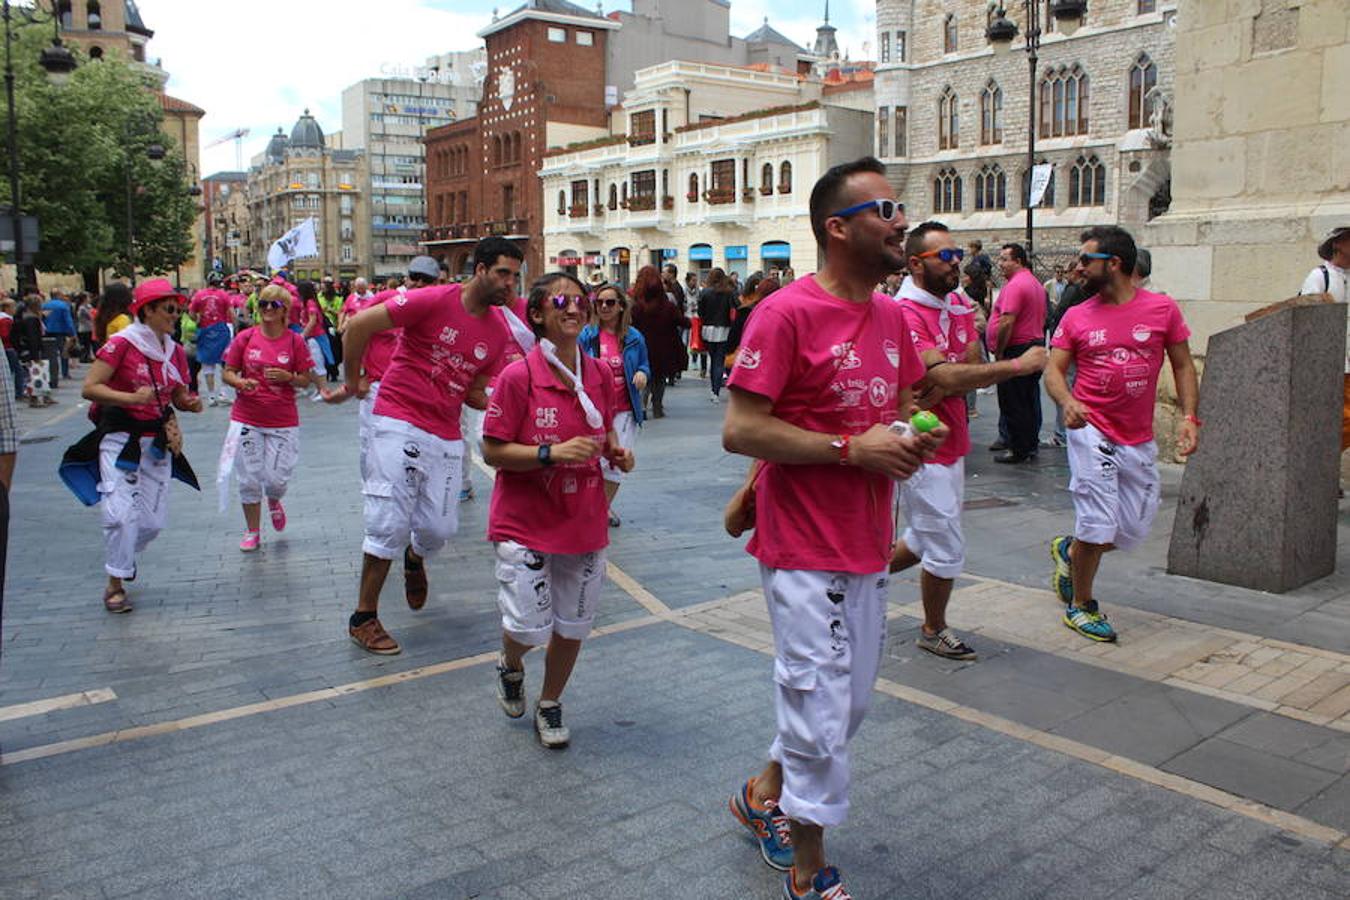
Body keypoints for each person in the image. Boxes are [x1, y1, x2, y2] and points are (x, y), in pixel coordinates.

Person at [722, 157, 943, 900]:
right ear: (837, 228)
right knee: (817, 701)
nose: (900, 220)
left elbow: (904, 404)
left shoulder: (893, 318)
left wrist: (911, 437)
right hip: (800, 544)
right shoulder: (783, 313)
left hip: (865, 542)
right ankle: (811, 871)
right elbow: (742, 429)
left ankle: (761, 793)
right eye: (884, 208)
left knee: (846, 706)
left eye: (900, 206)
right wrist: (854, 449)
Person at [336, 237, 521, 655]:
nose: (509, 283)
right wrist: (353, 380)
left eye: (514, 276)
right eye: (502, 273)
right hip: (398, 417)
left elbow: (474, 391)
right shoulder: (433, 299)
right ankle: (364, 616)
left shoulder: (496, 332)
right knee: (387, 520)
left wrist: (502, 404)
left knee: (440, 529)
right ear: (480, 271)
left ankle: (415, 558)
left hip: (445, 432)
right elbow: (359, 326)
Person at [483, 272, 634, 748]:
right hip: (525, 521)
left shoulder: (600, 373)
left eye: (580, 300)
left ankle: (549, 703)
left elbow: (603, 430)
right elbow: (492, 451)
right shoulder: (518, 376)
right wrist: (550, 453)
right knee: (529, 627)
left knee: (572, 626)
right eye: (560, 301)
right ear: (539, 315)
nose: (573, 308)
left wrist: (615, 452)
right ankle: (510, 662)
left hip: (583, 520)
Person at [890, 221, 1048, 661]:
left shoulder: (956, 302)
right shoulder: (904, 313)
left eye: (956, 252)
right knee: (944, 543)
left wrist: (951, 376)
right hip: (920, 439)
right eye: (945, 255)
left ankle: (852, 580)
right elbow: (940, 377)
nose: (956, 261)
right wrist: (1015, 367)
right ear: (916, 263)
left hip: (953, 436)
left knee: (923, 538)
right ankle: (932, 627)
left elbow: (966, 370)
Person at [1046, 226, 1200, 642]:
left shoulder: (1162, 309)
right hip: (1090, 429)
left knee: (1130, 529)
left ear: (1113, 264)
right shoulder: (1077, 314)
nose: (1077, 267)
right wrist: (1068, 402)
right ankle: (1082, 605)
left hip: (1137, 436)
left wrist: (1189, 417)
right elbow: (1053, 370)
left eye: (1085, 260)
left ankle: (1070, 550)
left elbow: (1183, 365)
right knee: (1097, 522)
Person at [80, 279, 203, 613]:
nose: (175, 315)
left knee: (150, 523)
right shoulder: (121, 343)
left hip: (157, 441)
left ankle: (123, 558)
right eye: (169, 309)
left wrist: (189, 403)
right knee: (121, 515)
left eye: (178, 309)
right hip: (120, 437)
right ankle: (115, 584)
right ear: (146, 310)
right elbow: (90, 387)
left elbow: (177, 393)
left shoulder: (174, 351)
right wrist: (129, 398)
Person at [219, 284, 313, 551]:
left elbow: (306, 380)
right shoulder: (245, 338)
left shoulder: (295, 341)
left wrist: (289, 378)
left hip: (282, 420)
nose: (267, 309)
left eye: (274, 305)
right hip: (246, 417)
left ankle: (274, 498)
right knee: (248, 478)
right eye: (263, 304)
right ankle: (252, 531)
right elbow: (229, 371)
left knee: (276, 480)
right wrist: (239, 383)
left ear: (285, 311)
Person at [580, 282, 649, 527]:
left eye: (610, 302)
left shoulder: (634, 337)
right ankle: (594, 508)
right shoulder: (586, 336)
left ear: (621, 306)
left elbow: (644, 365)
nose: (605, 307)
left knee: (617, 462)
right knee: (593, 462)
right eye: (600, 303)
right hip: (593, 410)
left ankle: (601, 509)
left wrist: (642, 374)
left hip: (625, 408)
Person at [986, 243, 1046, 463]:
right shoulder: (1034, 283)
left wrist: (1000, 351)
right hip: (1032, 344)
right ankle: (1028, 445)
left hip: (1017, 348)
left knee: (1013, 401)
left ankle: (1018, 448)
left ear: (1018, 261)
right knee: (1027, 399)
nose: (1000, 264)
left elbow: (1007, 321)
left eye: (1004, 259)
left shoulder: (1015, 285)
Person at [1299, 227, 1350, 461]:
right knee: (1333, 419)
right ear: (1337, 244)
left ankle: (1318, 466)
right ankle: (1317, 466)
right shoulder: (1320, 276)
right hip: (1329, 364)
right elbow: (1307, 316)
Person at [629, 265, 687, 419]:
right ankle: (657, 406)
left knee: (644, 376)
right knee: (659, 378)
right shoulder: (667, 305)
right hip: (663, 347)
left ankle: (641, 406)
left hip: (640, 346)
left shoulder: (635, 306)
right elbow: (681, 321)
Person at [190, 273, 236, 407]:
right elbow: (231, 314)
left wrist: (198, 320)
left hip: (205, 331)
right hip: (221, 330)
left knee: (207, 364)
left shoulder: (199, 295)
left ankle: (211, 397)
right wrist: (235, 327)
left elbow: (192, 313)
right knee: (226, 363)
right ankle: (223, 393)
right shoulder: (224, 295)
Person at [698, 268, 736, 403]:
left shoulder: (705, 292)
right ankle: (716, 391)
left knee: (712, 358)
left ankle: (713, 389)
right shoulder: (729, 293)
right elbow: (734, 310)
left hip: (708, 328)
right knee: (719, 361)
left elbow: (700, 311)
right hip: (724, 329)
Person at [17, 296, 50, 407]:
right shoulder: (31, 319)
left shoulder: (27, 316)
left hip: (29, 348)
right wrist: (35, 353)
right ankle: (34, 399)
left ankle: (44, 396)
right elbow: (33, 337)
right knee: (34, 374)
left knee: (36, 373)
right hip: (32, 349)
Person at [41, 288, 75, 388]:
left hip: (47, 332)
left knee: (51, 355)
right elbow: (68, 320)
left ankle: (51, 374)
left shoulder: (45, 305)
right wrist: (72, 333)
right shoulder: (63, 306)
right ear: (58, 295)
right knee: (64, 352)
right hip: (61, 332)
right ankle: (65, 372)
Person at [318, 276, 344, 382]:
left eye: (324, 286)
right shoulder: (318, 297)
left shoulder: (338, 298)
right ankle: (328, 370)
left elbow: (340, 312)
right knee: (324, 349)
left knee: (335, 350)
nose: (322, 289)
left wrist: (330, 310)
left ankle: (334, 369)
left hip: (334, 327)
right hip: (321, 326)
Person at [0, 299, 23, 400]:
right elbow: (5, 335)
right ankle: (19, 392)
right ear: (7, 308)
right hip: (8, 347)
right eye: (13, 307)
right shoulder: (6, 320)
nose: (15, 309)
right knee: (18, 370)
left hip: (6, 347)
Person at [75, 293, 95, 362]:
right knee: (85, 344)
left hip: (89, 327)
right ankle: (84, 357)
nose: (90, 299)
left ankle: (88, 356)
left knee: (89, 344)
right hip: (84, 328)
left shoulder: (88, 306)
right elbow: (90, 316)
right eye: (88, 297)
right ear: (84, 299)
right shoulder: (82, 308)